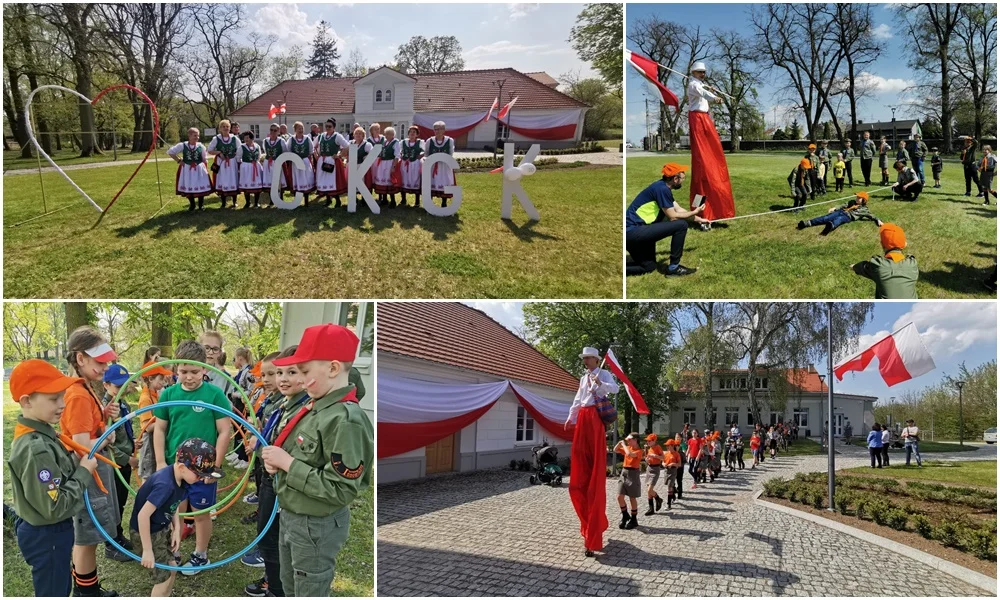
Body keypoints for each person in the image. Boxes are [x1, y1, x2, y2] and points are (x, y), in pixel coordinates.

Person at [263, 324, 374, 597]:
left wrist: (288, 464)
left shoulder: (345, 420)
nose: (299, 379)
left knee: (309, 590)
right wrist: (276, 462)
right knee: (291, 587)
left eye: (304, 371)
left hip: (315, 525)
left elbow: (341, 489)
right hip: (291, 515)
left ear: (333, 369)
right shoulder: (315, 407)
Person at [8, 359, 99, 597]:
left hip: (49, 532)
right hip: (47, 534)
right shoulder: (36, 448)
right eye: (53, 399)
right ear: (27, 401)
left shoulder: (42, 435)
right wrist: (84, 471)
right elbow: (54, 506)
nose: (62, 404)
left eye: (62, 396)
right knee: (53, 591)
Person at [152, 340, 232, 575]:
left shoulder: (214, 394)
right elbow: (159, 429)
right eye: (183, 371)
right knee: (172, 508)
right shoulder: (168, 394)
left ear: (206, 368)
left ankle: (200, 555)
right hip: (175, 466)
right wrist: (159, 462)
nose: (188, 377)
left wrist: (214, 466)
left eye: (195, 371)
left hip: (202, 469)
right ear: (175, 369)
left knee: (200, 511)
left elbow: (224, 431)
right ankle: (173, 550)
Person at [61, 327, 126, 595]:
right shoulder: (77, 394)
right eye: (99, 362)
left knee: (88, 538)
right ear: (80, 359)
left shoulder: (85, 388)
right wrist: (107, 438)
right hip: (86, 475)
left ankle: (87, 586)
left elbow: (88, 428)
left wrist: (102, 414)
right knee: (87, 539)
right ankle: (88, 592)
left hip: (91, 472)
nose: (104, 367)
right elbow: (81, 446)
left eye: (106, 361)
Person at [132, 438, 221, 597]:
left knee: (171, 569)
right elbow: (143, 516)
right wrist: (147, 550)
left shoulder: (181, 479)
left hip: (160, 527)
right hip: (147, 533)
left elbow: (174, 504)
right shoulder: (164, 485)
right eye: (199, 475)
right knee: (163, 579)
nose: (201, 479)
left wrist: (177, 529)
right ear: (182, 467)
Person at [245, 350, 294, 597]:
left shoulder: (294, 407)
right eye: (275, 373)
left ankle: (275, 588)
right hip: (268, 479)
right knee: (267, 536)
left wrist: (261, 442)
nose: (273, 379)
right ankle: (272, 581)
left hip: (278, 483)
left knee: (273, 539)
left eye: (287, 372)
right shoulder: (281, 403)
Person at [564, 346, 619, 557]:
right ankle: (588, 527)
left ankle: (594, 535)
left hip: (596, 419)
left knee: (595, 471)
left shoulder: (603, 373)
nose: (585, 361)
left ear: (596, 360)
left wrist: (600, 384)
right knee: (579, 476)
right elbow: (578, 399)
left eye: (588, 358)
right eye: (584, 359)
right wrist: (571, 417)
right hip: (583, 419)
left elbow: (615, 390)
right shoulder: (582, 378)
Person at [625, 163, 709, 277]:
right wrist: (695, 212)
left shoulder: (662, 187)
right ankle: (673, 268)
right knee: (681, 225)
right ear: (675, 179)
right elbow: (673, 216)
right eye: (683, 178)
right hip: (633, 232)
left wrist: (699, 219)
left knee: (649, 267)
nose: (683, 181)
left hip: (635, 234)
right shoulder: (662, 189)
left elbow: (678, 209)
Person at [686, 61, 735, 220]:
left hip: (705, 119)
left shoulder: (700, 84)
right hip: (698, 120)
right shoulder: (693, 85)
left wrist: (710, 90)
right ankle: (701, 210)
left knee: (715, 160)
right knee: (703, 166)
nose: (703, 74)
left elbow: (704, 92)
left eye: (704, 72)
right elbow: (703, 94)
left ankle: (718, 209)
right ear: (693, 72)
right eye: (700, 72)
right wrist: (715, 98)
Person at [102, 364, 137, 559]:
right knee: (112, 503)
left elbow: (125, 433)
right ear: (106, 385)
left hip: (124, 461)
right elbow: (106, 441)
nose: (121, 390)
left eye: (124, 385)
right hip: (113, 462)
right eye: (117, 386)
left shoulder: (123, 405)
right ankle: (110, 543)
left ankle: (118, 535)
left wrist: (134, 444)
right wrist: (127, 458)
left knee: (121, 501)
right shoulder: (105, 409)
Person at [851, 224, 919, 299]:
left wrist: (854, 267)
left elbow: (862, 267)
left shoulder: (879, 266)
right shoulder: (912, 264)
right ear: (905, 244)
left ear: (882, 244)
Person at [137, 361, 172, 485]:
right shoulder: (145, 398)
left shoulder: (156, 395)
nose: (163, 382)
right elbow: (147, 427)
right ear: (150, 379)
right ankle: (143, 499)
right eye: (160, 379)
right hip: (149, 442)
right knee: (148, 474)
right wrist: (165, 422)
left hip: (155, 438)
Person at [166, 127, 213, 211]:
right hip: (187, 169)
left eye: (198, 136)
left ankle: (201, 205)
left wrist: (202, 166)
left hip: (198, 169)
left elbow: (204, 158)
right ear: (189, 136)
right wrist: (179, 160)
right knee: (189, 185)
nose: (197, 137)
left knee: (200, 185)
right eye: (195, 135)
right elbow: (171, 152)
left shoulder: (200, 146)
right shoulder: (183, 145)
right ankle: (192, 205)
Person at [797, 191, 878, 235]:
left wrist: (878, 220)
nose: (857, 198)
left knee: (839, 219)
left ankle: (830, 227)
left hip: (848, 216)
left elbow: (871, 215)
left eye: (859, 198)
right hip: (841, 211)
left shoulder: (864, 209)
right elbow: (843, 205)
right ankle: (807, 223)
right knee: (826, 218)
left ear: (864, 201)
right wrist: (835, 208)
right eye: (857, 197)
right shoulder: (852, 201)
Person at [314, 118, 350, 208]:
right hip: (322, 160)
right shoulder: (321, 136)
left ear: (334, 127)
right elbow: (313, 146)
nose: (328, 128)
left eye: (330, 126)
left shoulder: (337, 136)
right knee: (324, 180)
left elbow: (348, 146)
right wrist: (316, 156)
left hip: (332, 160)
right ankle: (328, 199)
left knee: (333, 180)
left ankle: (338, 200)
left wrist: (339, 155)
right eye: (326, 126)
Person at [206, 119, 240, 208]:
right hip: (221, 163)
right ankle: (223, 202)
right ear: (220, 128)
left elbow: (240, 150)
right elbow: (209, 150)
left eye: (227, 127)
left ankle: (234, 201)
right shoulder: (216, 139)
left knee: (233, 179)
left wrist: (236, 154)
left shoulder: (234, 138)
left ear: (230, 128)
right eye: (223, 127)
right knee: (222, 180)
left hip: (232, 162)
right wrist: (219, 153)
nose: (225, 128)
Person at [424, 121, 456, 207]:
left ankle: (444, 202)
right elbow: (426, 154)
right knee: (431, 183)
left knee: (444, 182)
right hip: (432, 167)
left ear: (444, 130)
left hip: (444, 167)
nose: (437, 131)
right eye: (435, 129)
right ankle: (430, 203)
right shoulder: (429, 141)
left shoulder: (449, 141)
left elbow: (451, 154)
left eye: (439, 129)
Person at [614, 434, 642, 529]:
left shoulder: (639, 451)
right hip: (624, 472)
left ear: (636, 440)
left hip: (633, 474)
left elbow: (629, 454)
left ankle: (634, 519)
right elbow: (615, 450)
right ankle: (625, 515)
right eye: (628, 440)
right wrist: (619, 443)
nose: (628, 442)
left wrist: (624, 445)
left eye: (630, 440)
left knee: (632, 498)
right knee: (619, 496)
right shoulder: (628, 447)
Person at [287, 121, 317, 206]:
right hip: (295, 164)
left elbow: (311, 150)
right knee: (297, 180)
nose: (301, 130)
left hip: (305, 162)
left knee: (306, 180)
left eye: (302, 128)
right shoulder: (291, 139)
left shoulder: (307, 139)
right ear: (295, 130)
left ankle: (306, 202)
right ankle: (297, 202)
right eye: (299, 128)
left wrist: (308, 158)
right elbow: (288, 150)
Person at [373, 126, 402, 207]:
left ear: (393, 134)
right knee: (382, 181)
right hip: (382, 163)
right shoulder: (384, 142)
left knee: (389, 181)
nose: (386, 136)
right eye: (386, 134)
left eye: (388, 134)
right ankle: (384, 199)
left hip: (390, 163)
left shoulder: (395, 142)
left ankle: (393, 201)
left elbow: (397, 155)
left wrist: (394, 166)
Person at [260, 123, 287, 206]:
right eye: (271, 130)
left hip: (278, 162)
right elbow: (265, 151)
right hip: (268, 163)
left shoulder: (281, 141)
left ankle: (280, 198)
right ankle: (271, 200)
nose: (273, 132)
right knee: (269, 181)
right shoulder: (265, 141)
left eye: (275, 130)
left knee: (279, 180)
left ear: (278, 131)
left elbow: (285, 151)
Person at [237, 131, 264, 209]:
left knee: (257, 184)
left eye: (247, 138)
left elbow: (259, 156)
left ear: (252, 138)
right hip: (246, 167)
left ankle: (256, 202)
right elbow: (238, 158)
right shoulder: (242, 147)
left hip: (256, 166)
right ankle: (247, 202)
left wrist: (255, 162)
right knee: (247, 183)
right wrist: (242, 166)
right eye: (245, 138)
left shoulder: (257, 146)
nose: (246, 139)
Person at [399, 125, 424, 208]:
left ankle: (417, 201)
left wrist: (421, 155)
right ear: (408, 134)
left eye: (414, 132)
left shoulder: (420, 142)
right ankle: (403, 199)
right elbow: (398, 151)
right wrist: (401, 155)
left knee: (415, 179)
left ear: (417, 134)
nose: (412, 133)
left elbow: (425, 151)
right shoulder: (403, 142)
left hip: (415, 164)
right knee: (404, 179)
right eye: (410, 132)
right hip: (405, 163)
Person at [350, 127, 375, 206]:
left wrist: (366, 158)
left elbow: (372, 153)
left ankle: (365, 199)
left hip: (363, 166)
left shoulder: (367, 144)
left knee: (364, 183)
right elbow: (345, 152)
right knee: (352, 183)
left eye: (360, 134)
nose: (358, 135)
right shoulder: (351, 143)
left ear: (363, 135)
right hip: (353, 166)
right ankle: (354, 199)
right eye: (356, 133)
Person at [642, 433, 664, 516]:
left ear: (654, 441)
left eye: (649, 441)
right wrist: (647, 460)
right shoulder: (649, 448)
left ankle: (658, 499)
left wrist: (655, 456)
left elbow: (663, 458)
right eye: (647, 441)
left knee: (650, 490)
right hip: (649, 468)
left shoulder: (658, 447)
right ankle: (651, 508)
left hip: (655, 469)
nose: (648, 442)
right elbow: (647, 459)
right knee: (648, 490)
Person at [663, 438, 682, 509]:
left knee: (669, 487)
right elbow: (663, 461)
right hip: (666, 471)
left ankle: (668, 504)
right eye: (666, 446)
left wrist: (673, 464)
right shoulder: (666, 453)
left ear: (672, 446)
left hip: (673, 471)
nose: (667, 447)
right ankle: (673, 495)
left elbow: (679, 464)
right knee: (668, 485)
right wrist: (663, 464)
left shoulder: (676, 454)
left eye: (668, 445)